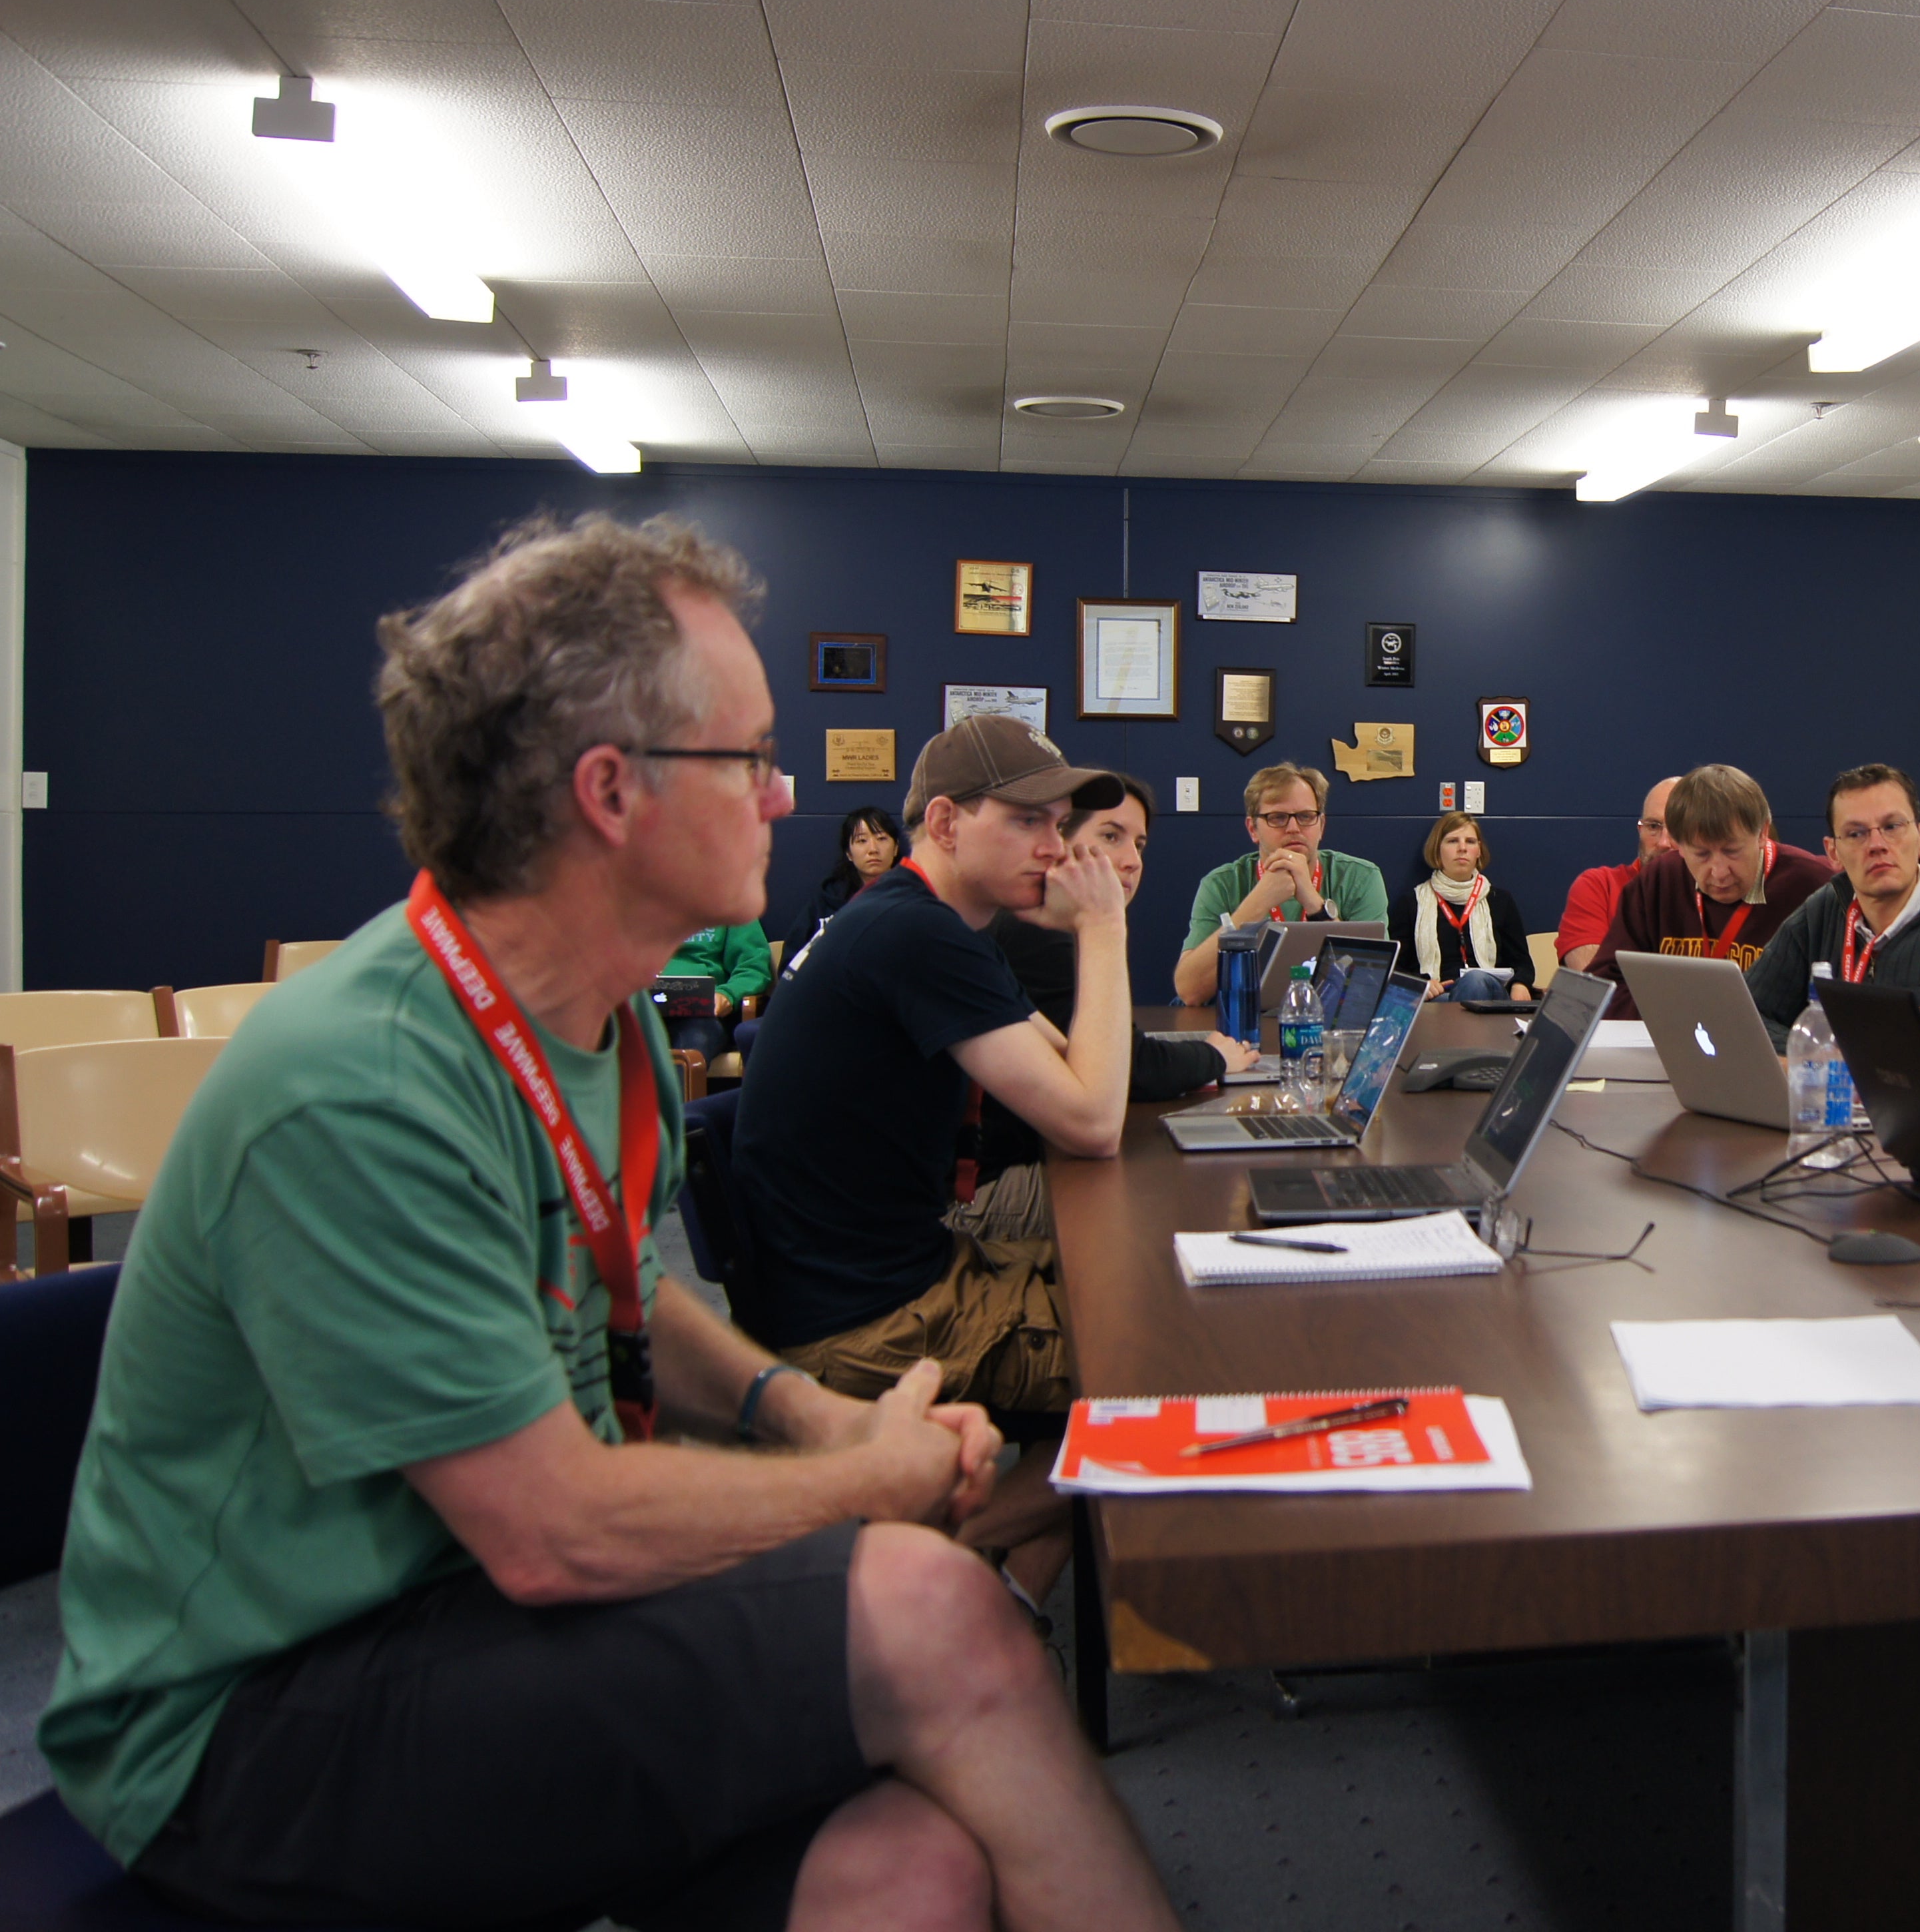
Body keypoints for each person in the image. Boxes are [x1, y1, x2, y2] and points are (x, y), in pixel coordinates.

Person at [39, 513, 1178, 1932]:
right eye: (749, 760)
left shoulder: (603, 1018)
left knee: (914, 1870)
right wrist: (859, 1480)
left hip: (482, 1616)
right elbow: (552, 1531)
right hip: (254, 1717)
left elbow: (629, 1288)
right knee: (931, 1604)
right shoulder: (362, 1082)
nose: (785, 798)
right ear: (609, 790)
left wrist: (804, 1413)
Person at [733, 711, 1139, 1598]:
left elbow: (1069, 1068)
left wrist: (1082, 931)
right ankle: (932, 1564)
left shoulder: (925, 920)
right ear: (948, 823)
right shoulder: (914, 935)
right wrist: (1103, 930)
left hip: (878, 1275)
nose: (1056, 847)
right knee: (1161, 1377)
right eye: (1027, 821)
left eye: (1058, 824)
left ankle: (1008, 1597)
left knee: (1135, 1292)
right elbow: (1090, 1120)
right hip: (865, 1325)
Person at [975, 778, 1254, 1203]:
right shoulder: (1038, 932)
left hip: (1040, 1161)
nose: (1131, 861)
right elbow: (1131, 1071)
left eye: (1139, 845)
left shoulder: (1058, 925)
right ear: (1056, 843)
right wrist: (1215, 1056)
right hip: (1010, 1181)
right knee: (1206, 1193)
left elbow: (1107, 1057)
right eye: (1111, 837)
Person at [1746, 763, 1920, 1034]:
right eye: (1856, 834)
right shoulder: (1818, 916)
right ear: (1833, 853)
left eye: (1892, 826)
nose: (1877, 845)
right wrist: (1814, 1050)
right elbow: (1746, 1015)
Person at [1584, 764, 1833, 1015]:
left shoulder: (1816, 886)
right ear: (1679, 844)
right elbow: (1604, 989)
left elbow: (1835, 1002)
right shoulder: (1659, 880)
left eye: (1732, 851)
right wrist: (1682, 1012)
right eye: (1702, 854)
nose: (1719, 872)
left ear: (1762, 833)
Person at [1172, 761, 1390, 1004]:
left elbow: (1369, 984)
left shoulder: (1360, 877)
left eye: (1306, 817)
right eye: (1277, 818)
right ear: (1253, 829)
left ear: (1321, 826)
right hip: (1243, 1015)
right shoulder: (1221, 884)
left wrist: (1314, 903)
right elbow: (1190, 991)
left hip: (1326, 1016)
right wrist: (1258, 903)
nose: (1294, 828)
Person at [1392, 810, 1533, 1001]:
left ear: (1479, 851)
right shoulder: (1412, 903)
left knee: (1475, 979)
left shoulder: (1500, 900)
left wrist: (1520, 984)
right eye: (1453, 841)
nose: (1462, 848)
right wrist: (1421, 983)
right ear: (1437, 849)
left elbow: (1523, 963)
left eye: (1470, 841)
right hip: (1437, 997)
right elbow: (1395, 967)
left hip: (1491, 996)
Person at [1558, 775, 1680, 972]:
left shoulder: (1721, 896)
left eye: (1678, 829)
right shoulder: (1600, 887)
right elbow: (1594, 979)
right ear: (1640, 830)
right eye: (1653, 826)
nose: (1664, 843)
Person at [784, 802, 904, 952]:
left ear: (896, 848)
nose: (873, 849)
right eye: (862, 840)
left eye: (881, 838)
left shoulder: (913, 897)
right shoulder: (827, 900)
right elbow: (793, 957)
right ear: (849, 854)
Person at [654, 914, 769, 1060]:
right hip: (640, 1008)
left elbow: (753, 968)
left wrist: (727, 994)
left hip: (700, 1015)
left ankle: (681, 1075)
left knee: (697, 1038)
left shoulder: (732, 905)